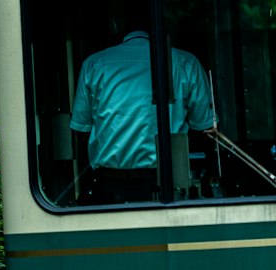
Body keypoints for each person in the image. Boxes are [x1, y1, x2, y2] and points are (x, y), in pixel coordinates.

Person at [70, 26, 216, 203]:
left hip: (110, 183)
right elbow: (204, 129)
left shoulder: (94, 64)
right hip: (171, 182)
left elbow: (81, 129)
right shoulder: (186, 62)